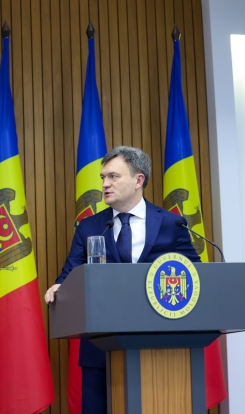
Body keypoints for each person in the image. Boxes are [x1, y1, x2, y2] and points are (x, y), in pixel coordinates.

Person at [44, 146, 200, 413]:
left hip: (160, 347)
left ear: (138, 180)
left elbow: (195, 274)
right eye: (103, 177)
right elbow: (70, 273)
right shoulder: (89, 227)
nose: (105, 184)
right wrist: (61, 287)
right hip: (99, 348)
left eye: (113, 177)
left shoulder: (172, 224)